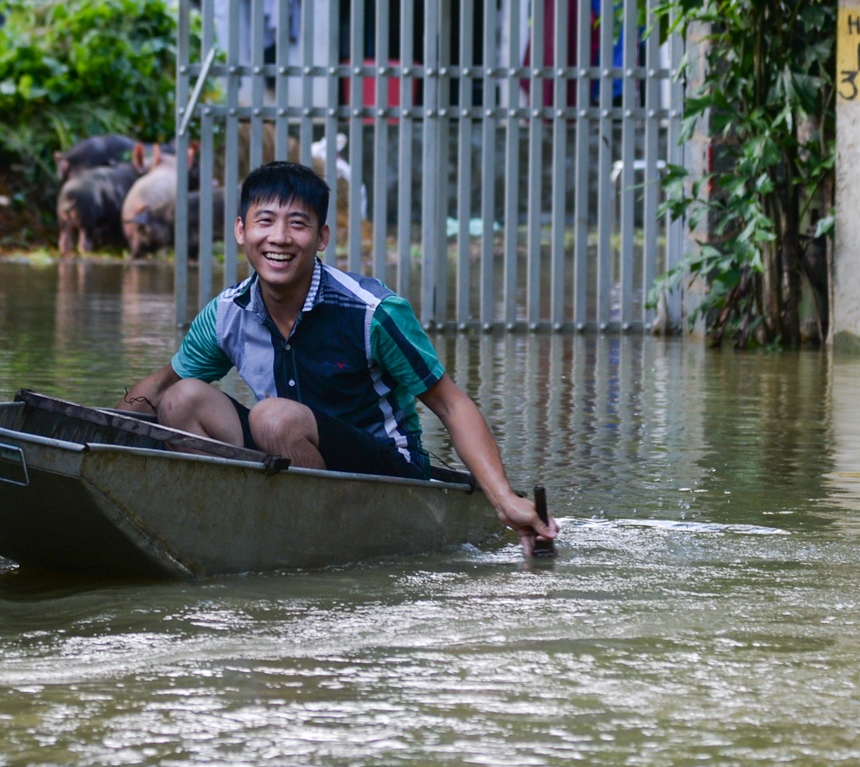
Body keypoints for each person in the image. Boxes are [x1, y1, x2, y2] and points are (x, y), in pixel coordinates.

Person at [121, 161, 558, 554]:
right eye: (265, 221)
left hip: (386, 474)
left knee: (273, 418)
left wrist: (503, 501)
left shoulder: (372, 311)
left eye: (297, 224)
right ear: (240, 231)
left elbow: (450, 403)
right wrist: (103, 448)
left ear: (322, 237)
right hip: (289, 456)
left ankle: (311, 544)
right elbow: (159, 388)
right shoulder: (227, 314)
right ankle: (222, 531)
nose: (279, 238)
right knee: (183, 399)